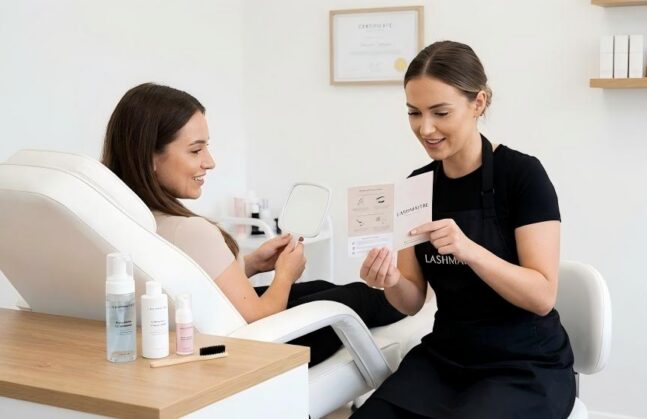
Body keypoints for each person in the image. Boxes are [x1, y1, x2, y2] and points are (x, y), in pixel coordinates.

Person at [101, 83, 404, 366]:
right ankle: (413, 308)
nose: (210, 161)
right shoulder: (190, 230)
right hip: (250, 352)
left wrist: (251, 265)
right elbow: (259, 320)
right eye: (195, 150)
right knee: (354, 297)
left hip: (207, 329)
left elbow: (187, 282)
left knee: (322, 287)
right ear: (149, 157)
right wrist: (286, 275)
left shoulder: (121, 221)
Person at [352, 41, 576, 418]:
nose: (426, 128)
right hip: (447, 357)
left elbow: (542, 296)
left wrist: (469, 249)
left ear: (479, 103)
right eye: (414, 113)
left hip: (524, 365)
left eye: (440, 112)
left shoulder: (522, 176)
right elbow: (411, 301)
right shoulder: (416, 186)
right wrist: (389, 279)